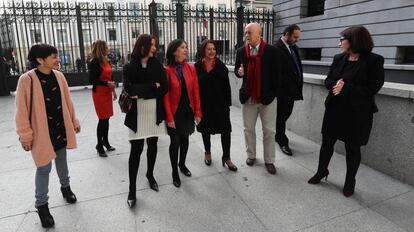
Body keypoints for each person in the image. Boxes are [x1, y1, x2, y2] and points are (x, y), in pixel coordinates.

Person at [308, 26, 384, 197]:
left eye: (342, 39)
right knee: (327, 143)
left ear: (354, 41)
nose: (339, 43)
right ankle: (321, 171)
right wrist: (336, 85)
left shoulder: (374, 61)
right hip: (335, 109)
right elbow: (328, 80)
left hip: (357, 114)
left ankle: (350, 181)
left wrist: (346, 87)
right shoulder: (339, 58)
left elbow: (373, 87)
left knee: (352, 148)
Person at [15, 44, 81, 228]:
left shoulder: (59, 76)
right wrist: (25, 135)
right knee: (43, 169)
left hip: (59, 128)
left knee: (62, 160)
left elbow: (68, 101)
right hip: (41, 134)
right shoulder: (26, 80)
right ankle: (42, 205)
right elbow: (21, 111)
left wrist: (74, 121)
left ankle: (66, 188)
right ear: (40, 60)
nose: (57, 59)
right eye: (53, 57)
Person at [123, 34, 168, 208]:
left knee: (153, 146)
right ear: (143, 46)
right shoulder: (129, 66)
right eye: (152, 45)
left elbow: (164, 88)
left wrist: (140, 92)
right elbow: (128, 89)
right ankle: (131, 189)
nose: (155, 48)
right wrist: (151, 86)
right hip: (136, 116)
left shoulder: (156, 64)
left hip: (153, 113)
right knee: (136, 151)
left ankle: (150, 175)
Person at [234, 22, 282, 174]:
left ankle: (269, 160)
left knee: (269, 130)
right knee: (248, 129)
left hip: (267, 98)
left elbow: (278, 75)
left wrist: (273, 93)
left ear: (259, 34)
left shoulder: (272, 51)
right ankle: (251, 155)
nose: (246, 35)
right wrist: (239, 72)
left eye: (249, 32)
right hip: (248, 97)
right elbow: (237, 70)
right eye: (245, 32)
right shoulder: (241, 51)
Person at [164, 39, 202, 188]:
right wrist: (169, 117)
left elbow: (196, 91)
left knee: (185, 138)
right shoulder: (166, 70)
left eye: (186, 47)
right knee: (175, 142)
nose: (186, 50)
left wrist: (198, 112)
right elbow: (165, 96)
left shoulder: (191, 68)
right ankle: (174, 172)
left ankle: (182, 165)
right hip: (174, 112)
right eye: (182, 47)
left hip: (188, 110)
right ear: (174, 51)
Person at [194, 40, 237, 172]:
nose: (212, 51)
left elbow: (227, 87)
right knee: (205, 129)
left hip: (220, 104)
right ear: (203, 51)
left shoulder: (221, 66)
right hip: (204, 104)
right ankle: (207, 152)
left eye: (213, 49)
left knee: (225, 130)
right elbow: (194, 87)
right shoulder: (196, 67)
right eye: (209, 49)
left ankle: (227, 157)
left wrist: (227, 104)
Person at [274, 24, 303, 156]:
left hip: (292, 90)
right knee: (281, 116)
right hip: (282, 92)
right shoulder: (276, 48)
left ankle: (278, 135)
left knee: (285, 115)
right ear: (286, 34)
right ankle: (282, 140)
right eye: (295, 37)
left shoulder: (293, 47)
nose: (297, 40)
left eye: (298, 37)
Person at [88, 40, 117, 157]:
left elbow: (110, 77)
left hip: (107, 92)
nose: (108, 48)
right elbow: (92, 80)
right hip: (99, 93)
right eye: (106, 47)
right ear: (101, 48)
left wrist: (113, 91)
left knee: (107, 119)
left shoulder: (107, 61)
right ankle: (99, 145)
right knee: (102, 119)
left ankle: (105, 141)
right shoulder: (94, 62)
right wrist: (107, 84)